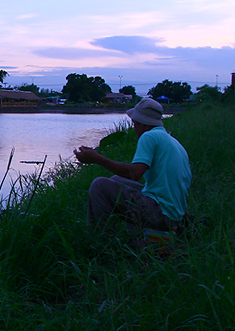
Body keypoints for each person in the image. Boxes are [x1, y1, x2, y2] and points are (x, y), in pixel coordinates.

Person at [72, 97, 191, 234]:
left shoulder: (149, 137)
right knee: (116, 179)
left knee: (100, 186)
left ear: (143, 124)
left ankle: (101, 242)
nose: (134, 128)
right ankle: (134, 234)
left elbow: (134, 174)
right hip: (175, 215)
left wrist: (98, 159)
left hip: (161, 215)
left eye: (134, 123)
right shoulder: (173, 141)